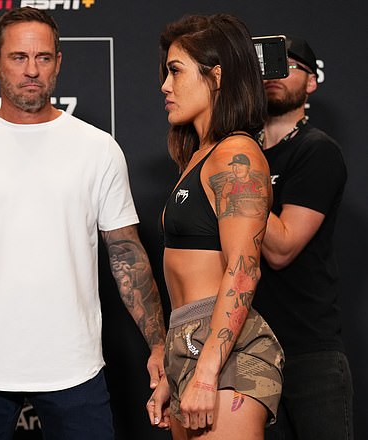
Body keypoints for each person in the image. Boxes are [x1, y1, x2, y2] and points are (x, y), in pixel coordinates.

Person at [0, 6, 166, 440]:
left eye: (43, 58)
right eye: (18, 58)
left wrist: (157, 341)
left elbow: (126, 252)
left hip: (74, 361)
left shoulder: (98, 149)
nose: (31, 70)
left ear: (59, 62)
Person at [147, 14, 284, 440]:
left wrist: (206, 372)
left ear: (216, 76)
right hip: (190, 345)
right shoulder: (197, 156)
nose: (165, 86)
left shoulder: (235, 153)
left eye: (175, 71)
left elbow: (244, 269)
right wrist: (174, 368)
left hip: (227, 354)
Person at [253, 35, 352, 440]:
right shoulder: (239, 149)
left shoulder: (317, 151)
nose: (275, 75)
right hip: (249, 351)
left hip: (308, 351)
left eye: (290, 66)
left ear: (312, 82)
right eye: (267, 66)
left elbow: (281, 248)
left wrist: (235, 172)